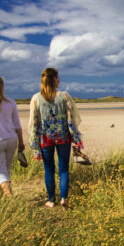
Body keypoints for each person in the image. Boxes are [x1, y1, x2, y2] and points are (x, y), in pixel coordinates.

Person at [28, 67, 82, 208]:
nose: (59, 80)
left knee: (49, 170)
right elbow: (73, 118)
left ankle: (51, 200)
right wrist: (76, 137)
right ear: (54, 79)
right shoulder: (64, 96)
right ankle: (64, 198)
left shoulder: (36, 98)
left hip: (46, 139)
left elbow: (34, 122)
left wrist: (35, 144)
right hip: (63, 137)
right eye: (58, 78)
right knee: (63, 169)